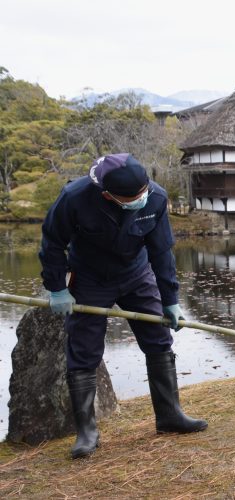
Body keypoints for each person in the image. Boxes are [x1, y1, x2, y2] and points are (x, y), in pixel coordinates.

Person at [39, 153, 207, 459]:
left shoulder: (155, 198)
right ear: (107, 194)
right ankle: (87, 432)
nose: (141, 199)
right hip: (89, 278)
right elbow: (51, 242)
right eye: (133, 197)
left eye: (143, 191)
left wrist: (170, 299)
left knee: (158, 338)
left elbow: (162, 252)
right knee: (84, 349)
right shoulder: (74, 198)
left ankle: (169, 416)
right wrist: (57, 288)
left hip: (136, 274)